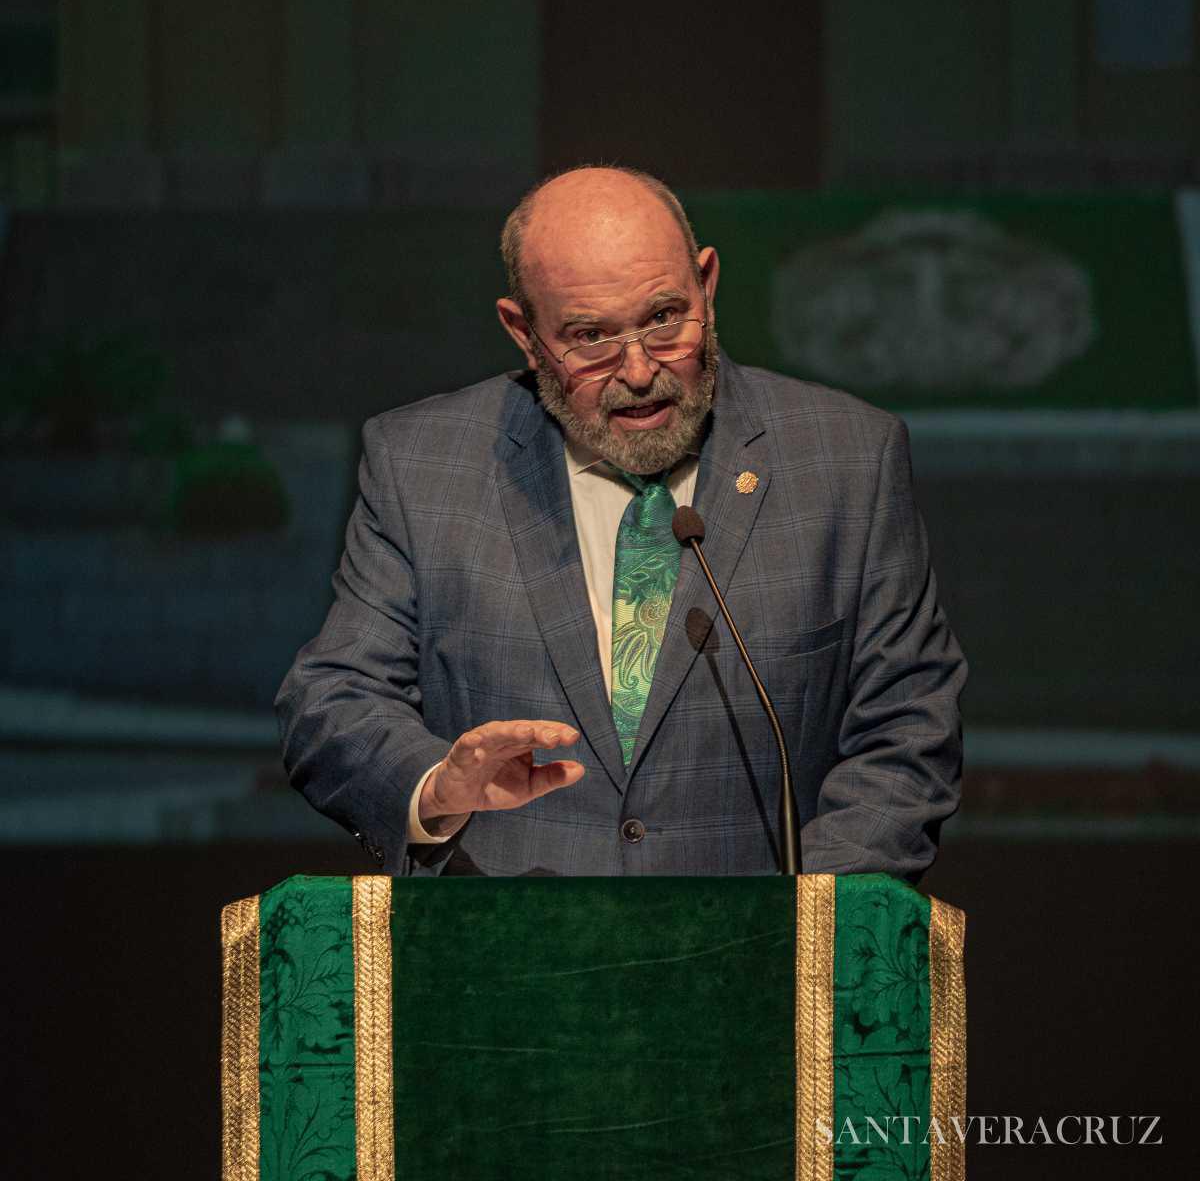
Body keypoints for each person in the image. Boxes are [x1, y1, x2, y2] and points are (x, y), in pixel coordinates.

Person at [276, 165, 966, 877]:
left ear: (707, 283)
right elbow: (335, 700)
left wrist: (798, 932)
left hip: (759, 965)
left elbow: (908, 728)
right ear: (522, 330)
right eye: (591, 336)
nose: (639, 371)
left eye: (665, 318)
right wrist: (436, 788)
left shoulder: (846, 458)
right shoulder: (422, 463)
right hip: (503, 957)